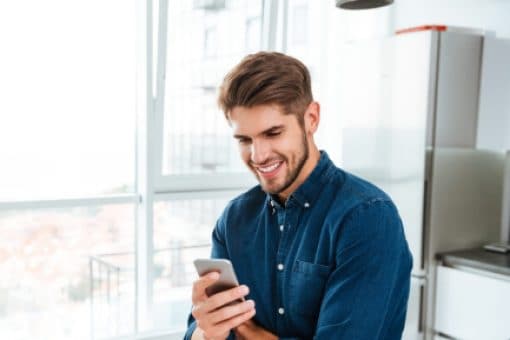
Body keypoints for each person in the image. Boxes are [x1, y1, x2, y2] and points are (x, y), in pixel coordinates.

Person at [184, 52, 413, 340]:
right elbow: (196, 331)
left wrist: (248, 332)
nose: (258, 155)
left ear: (311, 119)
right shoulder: (234, 219)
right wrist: (207, 333)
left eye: (273, 133)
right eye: (244, 139)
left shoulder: (367, 217)